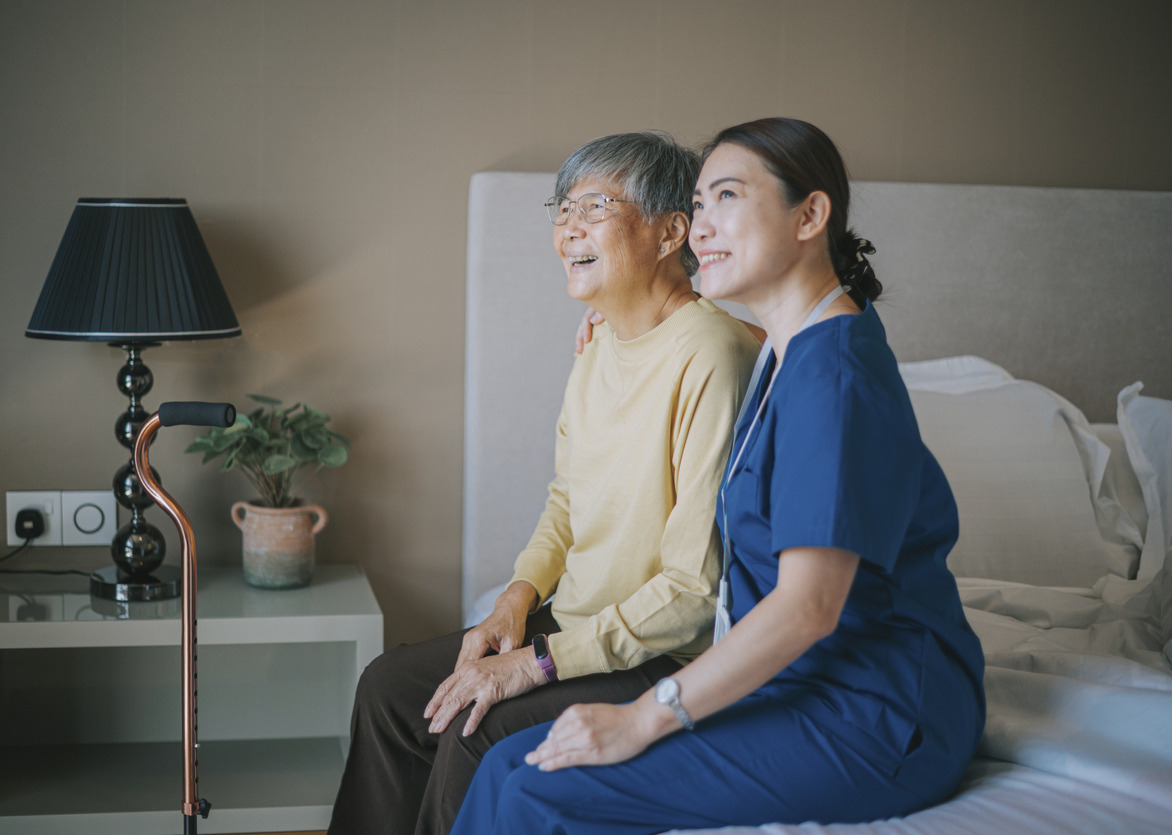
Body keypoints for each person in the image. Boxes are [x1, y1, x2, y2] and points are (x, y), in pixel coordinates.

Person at [451, 117, 987, 834]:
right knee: (508, 766)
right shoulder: (788, 348)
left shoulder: (834, 382)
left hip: (871, 712)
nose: (701, 226)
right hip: (796, 680)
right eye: (697, 205)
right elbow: (735, 348)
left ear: (810, 214)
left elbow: (808, 608)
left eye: (726, 197)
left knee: (531, 788)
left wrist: (643, 717)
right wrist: (615, 332)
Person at [325, 132, 760, 835]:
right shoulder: (599, 343)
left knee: (476, 719)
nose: (568, 228)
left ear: (669, 230)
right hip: (579, 622)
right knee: (389, 688)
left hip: (662, 651)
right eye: (561, 209)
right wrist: (514, 603)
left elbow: (691, 593)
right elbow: (567, 499)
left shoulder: (710, 352)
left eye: (594, 205)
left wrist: (534, 663)